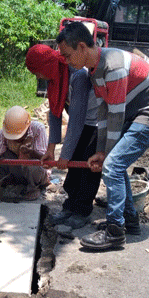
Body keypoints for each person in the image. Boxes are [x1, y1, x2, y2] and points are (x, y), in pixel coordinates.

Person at [56, 22, 149, 250]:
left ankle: (114, 232)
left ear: (82, 47)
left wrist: (106, 156)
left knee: (112, 166)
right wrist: (101, 150)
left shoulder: (113, 66)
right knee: (114, 165)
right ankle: (129, 222)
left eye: (68, 55)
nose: (66, 61)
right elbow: (103, 111)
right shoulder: (94, 69)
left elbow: (116, 117)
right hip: (136, 112)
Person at [25, 43, 102, 229]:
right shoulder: (55, 78)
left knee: (87, 165)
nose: (38, 77)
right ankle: (70, 206)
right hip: (82, 122)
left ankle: (82, 210)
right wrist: (51, 149)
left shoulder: (78, 75)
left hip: (97, 122)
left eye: (37, 72)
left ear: (45, 66)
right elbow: (55, 113)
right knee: (74, 164)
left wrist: (64, 155)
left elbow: (75, 119)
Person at [0, 106, 49, 203]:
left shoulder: (38, 129)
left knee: (32, 164)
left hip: (37, 171)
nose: (16, 139)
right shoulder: (4, 133)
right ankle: (11, 181)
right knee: (0, 159)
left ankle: (34, 188)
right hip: (16, 168)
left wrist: (31, 152)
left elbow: (44, 159)